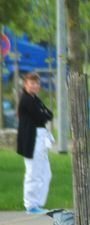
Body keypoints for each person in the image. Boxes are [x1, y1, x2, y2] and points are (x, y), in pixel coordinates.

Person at [17, 72, 54, 214]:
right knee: (33, 173)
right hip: (31, 140)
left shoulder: (36, 99)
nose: (34, 86)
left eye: (37, 83)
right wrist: (43, 113)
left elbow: (49, 114)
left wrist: (44, 113)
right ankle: (31, 204)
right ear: (26, 84)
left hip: (41, 138)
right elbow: (40, 117)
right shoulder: (26, 100)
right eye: (31, 83)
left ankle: (38, 202)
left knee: (46, 173)